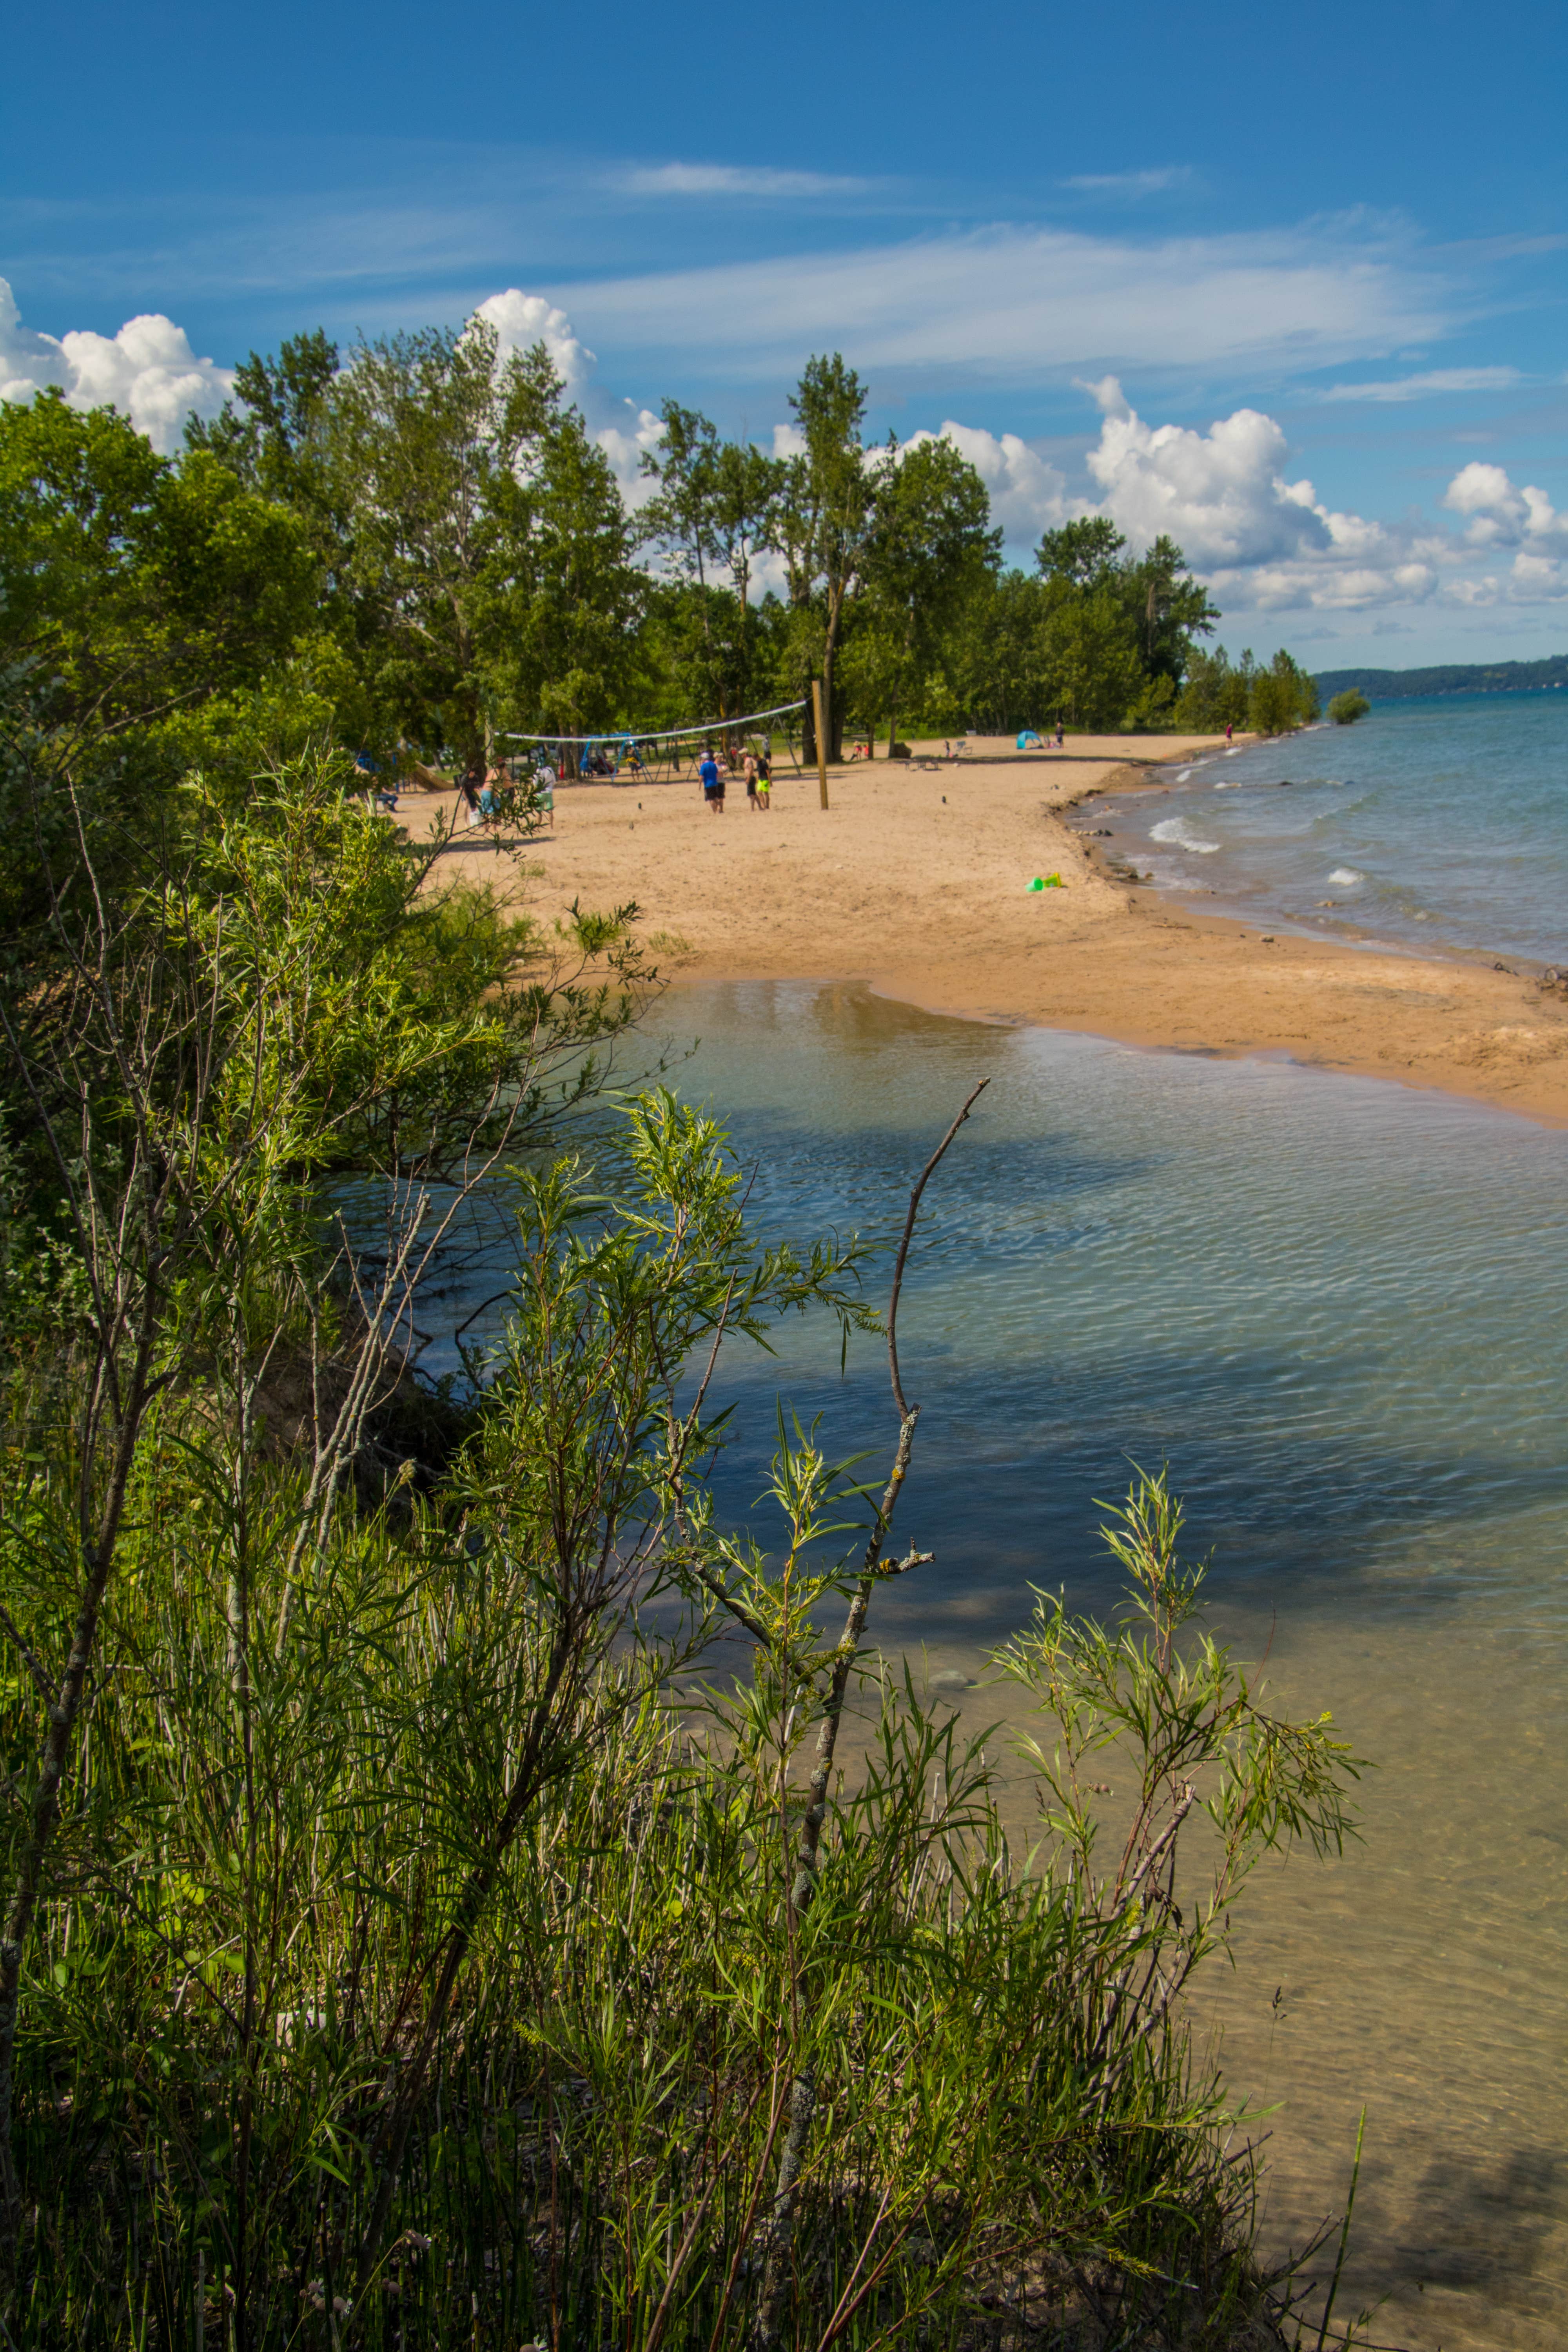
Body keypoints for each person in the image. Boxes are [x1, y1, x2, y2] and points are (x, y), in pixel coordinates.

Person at [698, 745, 724, 814]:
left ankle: (714, 812)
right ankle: (720, 805)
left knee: (711, 799)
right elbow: (717, 773)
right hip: (715, 783)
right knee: (715, 797)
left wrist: (700, 785)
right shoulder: (713, 765)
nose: (702, 760)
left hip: (708, 784)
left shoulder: (703, 766)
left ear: (704, 759)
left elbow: (701, 776)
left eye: (702, 759)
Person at [753, 748, 771, 812]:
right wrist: (757, 779)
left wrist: (770, 781)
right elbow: (759, 772)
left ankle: (767, 806)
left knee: (766, 793)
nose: (755, 760)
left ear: (758, 757)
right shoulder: (758, 763)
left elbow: (768, 772)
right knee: (759, 792)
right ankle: (763, 805)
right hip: (761, 779)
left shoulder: (764, 762)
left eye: (755, 759)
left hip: (766, 779)